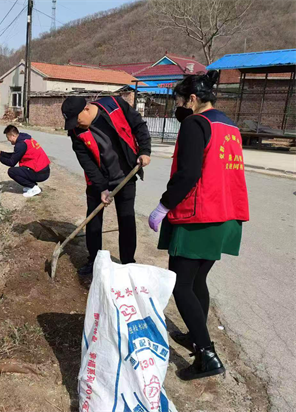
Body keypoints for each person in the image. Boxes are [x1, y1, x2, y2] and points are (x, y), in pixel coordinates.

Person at [148, 70, 249, 381]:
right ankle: (195, 335)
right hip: (226, 214)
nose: (179, 106)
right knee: (197, 280)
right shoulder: (228, 125)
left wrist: (164, 204)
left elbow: (189, 173)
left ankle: (206, 355)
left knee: (180, 284)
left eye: (180, 100)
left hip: (199, 216)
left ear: (192, 99)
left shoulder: (195, 124)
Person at [61, 95, 151, 275]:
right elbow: (86, 161)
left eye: (77, 120)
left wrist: (145, 151)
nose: (76, 125)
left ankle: (128, 263)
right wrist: (102, 187)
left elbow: (138, 125)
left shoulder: (114, 105)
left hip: (125, 175)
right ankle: (94, 261)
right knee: (93, 221)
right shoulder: (75, 131)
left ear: (86, 109)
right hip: (98, 180)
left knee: (126, 220)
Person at [0, 125, 51, 198]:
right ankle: (30, 186)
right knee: (20, 170)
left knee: (12, 171)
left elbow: (11, 163)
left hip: (40, 173)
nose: (8, 140)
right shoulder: (25, 139)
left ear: (12, 135)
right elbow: (15, 156)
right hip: (44, 170)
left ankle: (34, 188)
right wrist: (1, 153)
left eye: (8, 137)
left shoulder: (21, 145)